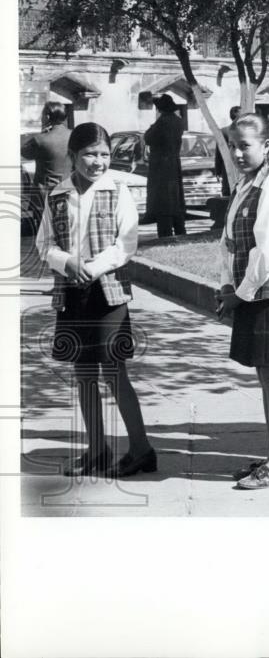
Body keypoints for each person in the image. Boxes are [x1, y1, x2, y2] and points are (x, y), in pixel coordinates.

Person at [36, 122, 155, 478]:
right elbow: (45, 244)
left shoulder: (119, 189)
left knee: (114, 370)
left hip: (108, 294)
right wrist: (67, 262)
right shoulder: (58, 193)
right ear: (73, 156)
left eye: (103, 154)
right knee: (83, 371)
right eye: (89, 154)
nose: (97, 161)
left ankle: (141, 449)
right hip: (72, 294)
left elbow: (126, 242)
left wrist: (95, 266)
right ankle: (97, 450)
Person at [220, 114, 269, 489]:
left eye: (245, 145)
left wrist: (240, 294)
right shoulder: (245, 184)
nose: (237, 152)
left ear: (267, 146)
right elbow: (230, 241)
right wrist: (227, 284)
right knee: (265, 374)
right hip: (251, 292)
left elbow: (267, 252)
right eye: (233, 145)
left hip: (268, 294)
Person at [22, 103, 73, 232]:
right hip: (69, 191)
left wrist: (42, 133)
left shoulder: (41, 139)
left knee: (44, 236)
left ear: (48, 116)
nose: (41, 118)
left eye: (43, 115)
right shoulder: (74, 136)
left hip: (44, 194)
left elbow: (24, 152)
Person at [144, 94, 187, 238]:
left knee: (163, 201)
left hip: (161, 165)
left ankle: (165, 233)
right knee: (175, 200)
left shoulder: (162, 122)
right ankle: (180, 229)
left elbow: (148, 137)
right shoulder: (178, 122)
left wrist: (155, 123)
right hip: (174, 163)